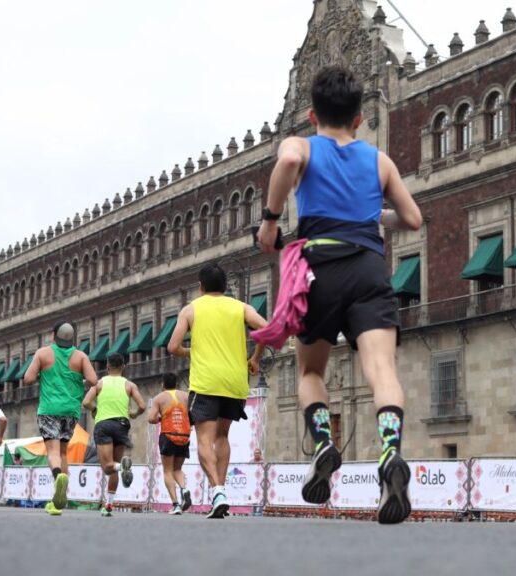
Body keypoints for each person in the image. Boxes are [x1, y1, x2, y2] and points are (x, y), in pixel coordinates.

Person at [256, 66, 423, 525]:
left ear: (312, 115)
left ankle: (324, 443)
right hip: (369, 267)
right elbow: (413, 218)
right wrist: (372, 217)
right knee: (381, 369)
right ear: (360, 116)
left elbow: (287, 162)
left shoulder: (304, 145)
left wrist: (270, 220)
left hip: (319, 270)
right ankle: (390, 452)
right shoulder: (379, 160)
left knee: (311, 370)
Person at [168, 264, 268, 519]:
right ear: (225, 287)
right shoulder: (241, 307)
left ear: (201, 287)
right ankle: (220, 495)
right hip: (235, 382)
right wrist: (255, 359)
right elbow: (266, 330)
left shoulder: (191, 309)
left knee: (204, 439)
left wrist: (191, 352)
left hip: (205, 383)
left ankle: (218, 491)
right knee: (222, 436)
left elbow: (172, 346)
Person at [24, 321, 98, 516]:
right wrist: (77, 379)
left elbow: (28, 378)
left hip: (49, 408)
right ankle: (57, 502)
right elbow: (93, 380)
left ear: (53, 335)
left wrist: (43, 374)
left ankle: (57, 477)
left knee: (53, 452)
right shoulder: (80, 356)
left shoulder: (43, 354)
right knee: (64, 453)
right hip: (71, 411)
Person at [82, 353, 145, 518]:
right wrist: (134, 414)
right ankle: (109, 504)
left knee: (108, 467)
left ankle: (120, 467)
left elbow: (86, 402)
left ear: (108, 366)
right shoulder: (130, 385)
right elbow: (142, 405)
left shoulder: (99, 384)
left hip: (103, 425)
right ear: (124, 367)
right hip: (122, 425)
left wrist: (95, 410)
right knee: (114, 464)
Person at [147, 372, 193, 515]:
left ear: (163, 384)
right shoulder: (185, 396)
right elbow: (192, 414)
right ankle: (184, 488)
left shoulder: (159, 398)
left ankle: (176, 505)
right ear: (177, 383)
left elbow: (151, 418)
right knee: (177, 469)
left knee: (168, 471)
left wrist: (161, 419)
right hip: (184, 436)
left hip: (168, 435)